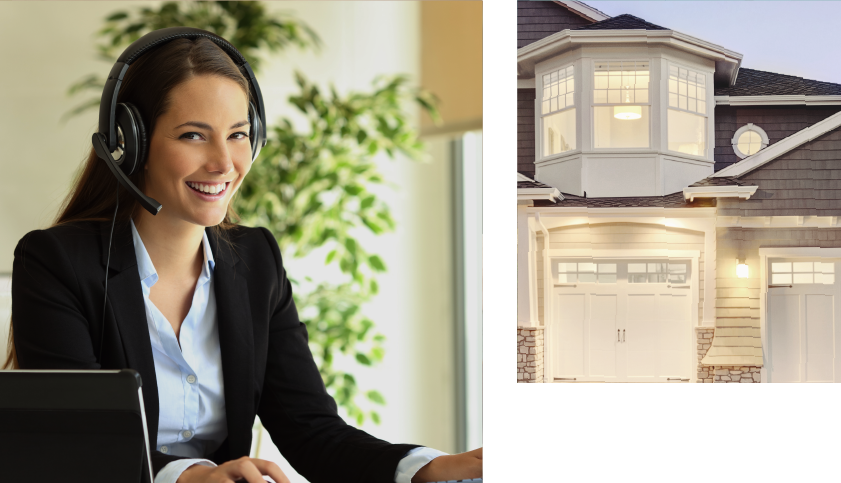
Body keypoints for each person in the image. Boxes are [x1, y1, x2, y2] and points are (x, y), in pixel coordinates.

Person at [6, 29, 483, 483]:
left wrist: (424, 468)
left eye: (237, 134)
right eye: (193, 135)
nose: (224, 163)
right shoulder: (55, 264)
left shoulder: (257, 261)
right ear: (132, 142)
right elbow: (82, 443)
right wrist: (192, 475)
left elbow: (311, 429)